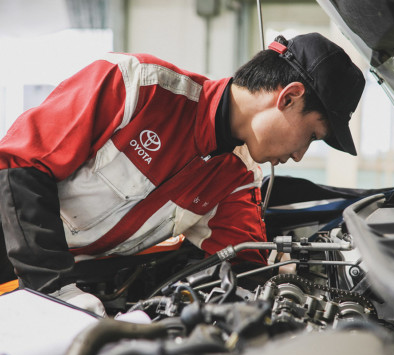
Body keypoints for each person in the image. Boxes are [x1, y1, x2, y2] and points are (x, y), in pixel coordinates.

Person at [0, 33, 365, 315]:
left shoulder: (237, 179)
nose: (300, 155)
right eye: (312, 136)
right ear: (289, 97)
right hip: (20, 254)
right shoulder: (136, 86)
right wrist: (56, 291)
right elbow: (22, 164)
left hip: (69, 282)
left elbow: (243, 264)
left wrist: (287, 280)